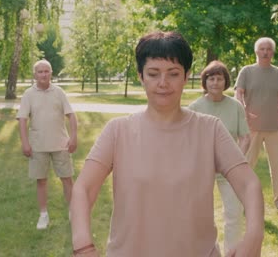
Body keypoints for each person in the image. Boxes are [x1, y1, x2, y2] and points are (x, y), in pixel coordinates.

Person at [70, 31, 264, 257]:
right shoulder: (117, 131)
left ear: (186, 76)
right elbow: (83, 189)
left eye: (173, 74)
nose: (163, 83)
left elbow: (248, 184)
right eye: (153, 74)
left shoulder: (210, 129)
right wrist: (83, 245)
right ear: (141, 76)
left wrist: (253, 235)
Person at [188, 60, 250, 255]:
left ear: (226, 82)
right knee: (199, 214)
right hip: (201, 169)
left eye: (219, 78)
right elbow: (188, 140)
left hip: (229, 169)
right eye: (211, 78)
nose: (215, 82)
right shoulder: (194, 107)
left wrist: (232, 161)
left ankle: (232, 252)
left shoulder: (235, 106)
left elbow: (245, 138)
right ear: (205, 82)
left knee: (234, 213)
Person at [235, 37, 278, 213]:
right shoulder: (246, 71)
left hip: (275, 128)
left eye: (268, 49)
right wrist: (243, 110)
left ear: (273, 52)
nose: (265, 52)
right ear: (256, 51)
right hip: (251, 128)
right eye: (262, 49)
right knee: (246, 164)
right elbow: (238, 94)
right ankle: (240, 199)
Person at [17, 59, 78, 230]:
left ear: (51, 73)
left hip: (61, 144)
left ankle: (74, 211)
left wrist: (73, 137)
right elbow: (22, 120)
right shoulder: (28, 94)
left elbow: (71, 116)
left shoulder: (59, 92)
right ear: (35, 74)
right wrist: (25, 143)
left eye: (47, 71)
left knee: (67, 179)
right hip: (38, 146)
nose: (44, 74)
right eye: (40, 72)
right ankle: (43, 215)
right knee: (41, 181)